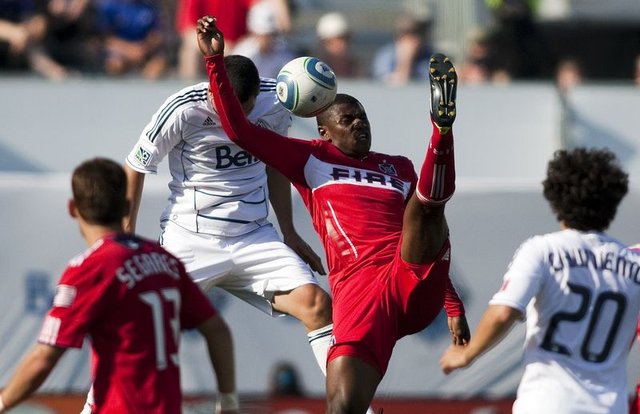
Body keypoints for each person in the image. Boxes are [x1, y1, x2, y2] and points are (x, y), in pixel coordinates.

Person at [197, 16, 470, 414]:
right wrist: (215, 63)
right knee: (342, 407)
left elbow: (428, 234)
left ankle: (441, 133)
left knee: (426, 209)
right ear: (324, 131)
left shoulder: (398, 166)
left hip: (408, 276)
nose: (359, 123)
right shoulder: (309, 158)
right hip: (359, 291)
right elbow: (240, 131)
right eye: (348, 119)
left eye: (363, 117)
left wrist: (453, 306)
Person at [123, 52, 334, 385]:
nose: (233, 118)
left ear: (256, 97)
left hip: (255, 237)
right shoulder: (182, 108)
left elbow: (275, 163)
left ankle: (351, 406)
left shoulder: (276, 101)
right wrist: (125, 241)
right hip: (190, 238)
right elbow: (135, 166)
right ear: (212, 90)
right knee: (144, 328)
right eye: (224, 106)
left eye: (243, 109)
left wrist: (289, 231)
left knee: (317, 305)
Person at [0, 158, 237, 413]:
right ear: (126, 206)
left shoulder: (90, 268)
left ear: (72, 209)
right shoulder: (165, 261)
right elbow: (217, 329)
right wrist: (228, 401)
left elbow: (43, 358)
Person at [440, 147, 639, 413]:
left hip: (548, 403)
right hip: (608, 407)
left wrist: (467, 354)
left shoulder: (543, 250)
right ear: (613, 202)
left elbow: (504, 313)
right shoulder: (633, 264)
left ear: (556, 199)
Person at [230, 0, 297, 78]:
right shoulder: (243, 54)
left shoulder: (285, 55)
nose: (265, 39)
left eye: (269, 35)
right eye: (261, 35)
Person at [371, 14, 433, 85]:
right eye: (403, 31)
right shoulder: (385, 55)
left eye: (414, 32)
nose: (408, 37)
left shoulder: (430, 57)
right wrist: (405, 60)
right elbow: (388, 84)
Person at [313, 12, 361, 79]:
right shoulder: (315, 73)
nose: (344, 44)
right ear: (324, 42)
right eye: (339, 39)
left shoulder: (358, 69)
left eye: (347, 39)